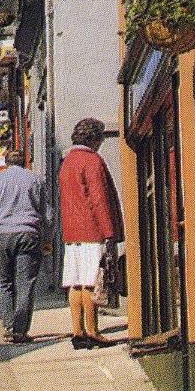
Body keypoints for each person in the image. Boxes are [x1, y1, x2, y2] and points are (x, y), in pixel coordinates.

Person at [0, 141, 50, 344]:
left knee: (5, 282)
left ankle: (8, 326)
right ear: (25, 162)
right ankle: (20, 330)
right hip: (28, 234)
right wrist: (47, 238)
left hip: (1, 235)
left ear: (5, 163)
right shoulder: (36, 180)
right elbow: (46, 214)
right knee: (26, 283)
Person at [59, 119, 125, 349]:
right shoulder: (92, 161)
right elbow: (99, 199)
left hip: (71, 232)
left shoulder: (67, 162)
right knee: (90, 282)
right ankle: (93, 331)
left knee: (75, 284)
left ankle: (77, 332)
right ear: (95, 139)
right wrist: (109, 231)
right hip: (91, 230)